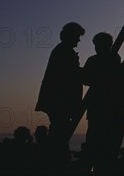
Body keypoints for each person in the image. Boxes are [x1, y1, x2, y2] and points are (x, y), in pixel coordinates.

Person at [35, 22, 85, 164]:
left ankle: (56, 160)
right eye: (77, 36)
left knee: (59, 132)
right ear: (71, 35)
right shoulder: (65, 52)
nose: (79, 40)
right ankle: (57, 162)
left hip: (58, 102)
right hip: (60, 102)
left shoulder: (61, 50)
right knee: (60, 134)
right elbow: (71, 75)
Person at [83, 31, 121, 172]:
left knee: (93, 139)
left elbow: (86, 79)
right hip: (109, 106)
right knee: (106, 140)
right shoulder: (115, 58)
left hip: (97, 105)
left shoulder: (92, 60)